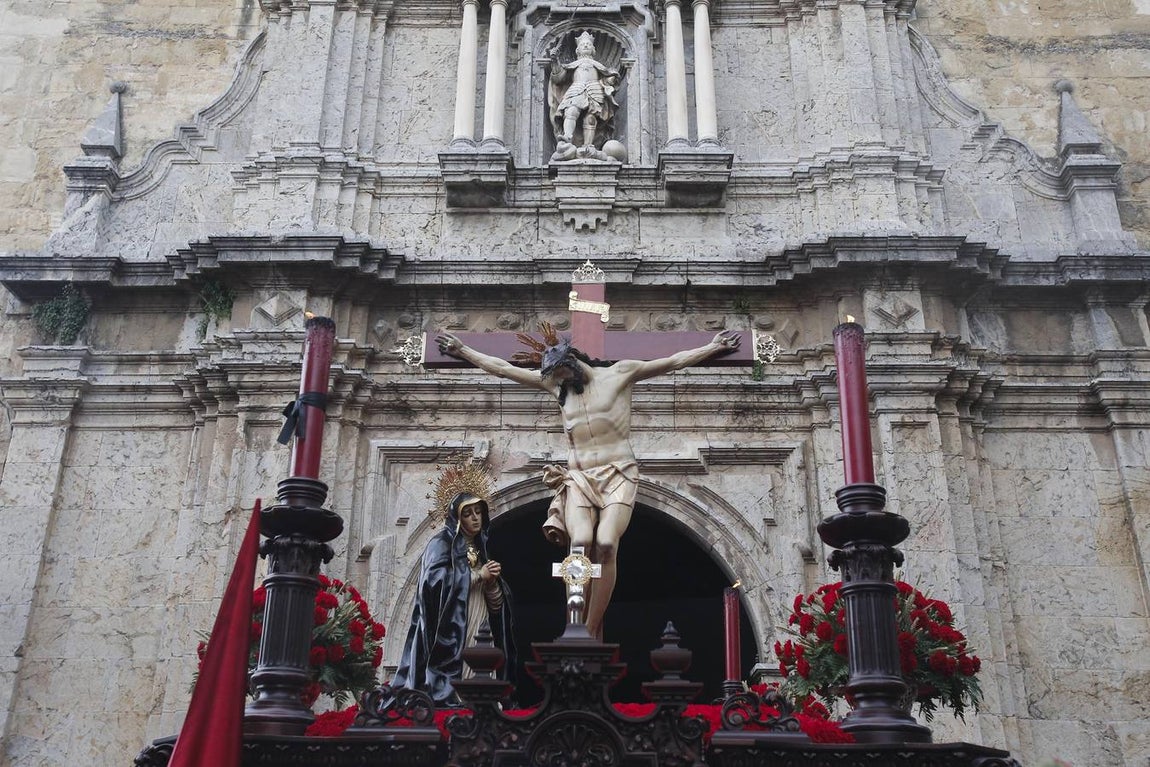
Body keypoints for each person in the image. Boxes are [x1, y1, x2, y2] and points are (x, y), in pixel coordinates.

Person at [436, 326, 739, 638]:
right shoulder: (556, 385)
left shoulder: (620, 374)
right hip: (579, 477)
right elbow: (504, 369)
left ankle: (591, 629)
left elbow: (672, 361)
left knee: (606, 543)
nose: (560, 383)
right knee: (579, 543)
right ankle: (575, 626)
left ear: (573, 364)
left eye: (564, 376)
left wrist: (712, 347)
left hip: (618, 473)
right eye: (556, 378)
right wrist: (463, 350)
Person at [391, 491, 516, 705]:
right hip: (453, 621)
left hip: (479, 614)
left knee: (482, 651)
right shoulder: (440, 544)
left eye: (478, 512)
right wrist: (477, 576)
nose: (475, 518)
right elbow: (434, 582)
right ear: (457, 518)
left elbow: (497, 608)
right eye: (468, 513)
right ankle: (457, 696)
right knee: (463, 652)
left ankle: (483, 698)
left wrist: (493, 583)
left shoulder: (480, 550)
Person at [549, 31, 620, 161]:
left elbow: (608, 75)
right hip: (576, 88)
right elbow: (558, 78)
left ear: (593, 49)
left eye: (588, 44)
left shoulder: (597, 65)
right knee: (571, 111)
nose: (586, 46)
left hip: (594, 89)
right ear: (577, 49)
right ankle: (568, 137)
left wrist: (611, 79)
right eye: (583, 44)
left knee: (591, 118)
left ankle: (589, 144)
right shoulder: (573, 65)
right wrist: (555, 61)